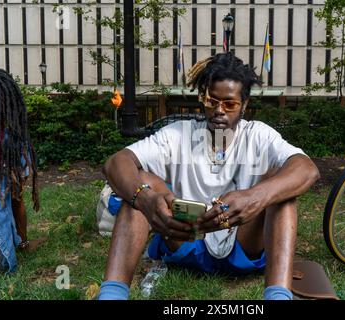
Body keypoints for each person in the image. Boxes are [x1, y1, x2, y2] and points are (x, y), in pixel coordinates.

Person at [98, 52, 320, 300]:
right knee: (140, 184)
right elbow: (116, 162)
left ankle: (278, 296)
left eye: (230, 103)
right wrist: (144, 199)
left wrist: (255, 196)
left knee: (282, 191)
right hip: (185, 240)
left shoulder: (259, 135)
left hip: (243, 246)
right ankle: (112, 294)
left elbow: (306, 168)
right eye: (211, 101)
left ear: (244, 105)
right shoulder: (178, 134)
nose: (219, 110)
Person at [0, 68, 40, 300]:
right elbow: (18, 199)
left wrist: (22, 240)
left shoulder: (11, 143)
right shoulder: (12, 141)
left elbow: (18, 198)